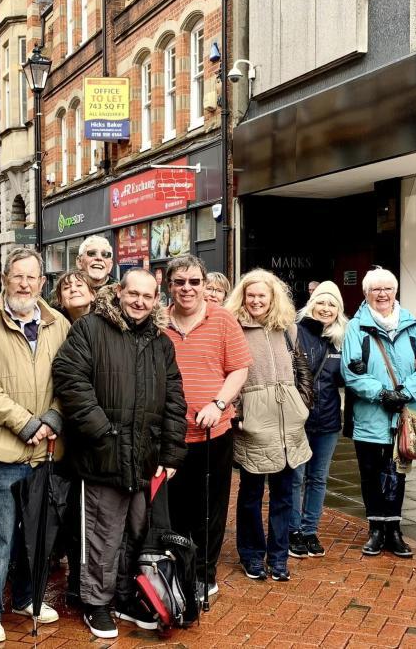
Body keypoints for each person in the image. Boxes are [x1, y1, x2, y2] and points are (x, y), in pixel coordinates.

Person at [52, 268, 187, 639]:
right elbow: (70, 379)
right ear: (119, 293)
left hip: (144, 456)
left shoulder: (161, 342)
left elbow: (175, 399)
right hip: (102, 455)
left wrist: (172, 453)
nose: (140, 302)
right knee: (101, 533)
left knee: (136, 533)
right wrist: (100, 431)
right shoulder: (91, 329)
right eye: (133, 294)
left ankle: (126, 598)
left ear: (156, 299)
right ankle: (96, 603)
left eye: (148, 296)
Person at [0, 247, 70, 643]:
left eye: (32, 277)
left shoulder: (58, 323)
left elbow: (70, 379)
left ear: (42, 283)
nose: (24, 284)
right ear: (4, 279)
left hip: (46, 450)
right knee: (0, 533)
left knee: (35, 532)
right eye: (17, 276)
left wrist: (53, 418)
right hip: (4, 449)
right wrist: (25, 423)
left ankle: (27, 596)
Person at [164, 255, 251, 600]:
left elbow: (239, 369)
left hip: (212, 433)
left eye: (194, 282)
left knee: (209, 508)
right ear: (169, 285)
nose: (188, 288)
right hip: (168, 435)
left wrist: (219, 404)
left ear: (204, 285)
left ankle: (204, 573)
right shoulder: (157, 321)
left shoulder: (223, 320)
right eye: (180, 282)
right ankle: (176, 569)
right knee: (172, 509)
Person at [341, 268, 416, 559]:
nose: (382, 294)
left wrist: (405, 393)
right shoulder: (356, 328)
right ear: (366, 293)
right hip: (371, 416)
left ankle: (394, 529)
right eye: (375, 289)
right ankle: (376, 528)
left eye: (388, 289)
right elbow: (350, 372)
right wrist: (383, 393)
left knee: (398, 474)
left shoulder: (414, 326)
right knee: (370, 473)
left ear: (395, 291)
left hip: (405, 416)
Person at [225, 269, 311, 582]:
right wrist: (238, 412)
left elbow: (301, 368)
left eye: (263, 295)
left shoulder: (288, 328)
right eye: (251, 295)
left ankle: (278, 557)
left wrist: (302, 405)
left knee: (284, 494)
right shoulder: (232, 327)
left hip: (288, 420)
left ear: (273, 297)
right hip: (254, 421)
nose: (257, 301)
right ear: (243, 298)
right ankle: (251, 556)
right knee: (250, 494)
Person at [289, 281, 348, 559]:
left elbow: (343, 379)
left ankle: (310, 530)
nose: (326, 308)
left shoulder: (342, 338)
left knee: (319, 478)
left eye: (332, 304)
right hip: (299, 419)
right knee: (295, 478)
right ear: (312, 304)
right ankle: (293, 531)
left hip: (328, 420)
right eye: (321, 302)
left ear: (339, 310)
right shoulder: (296, 332)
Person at [50, 267, 96, 605]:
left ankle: (87, 579)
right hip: (65, 427)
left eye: (80, 284)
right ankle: (74, 577)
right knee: (69, 506)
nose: (74, 289)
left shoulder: (105, 324)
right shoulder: (56, 327)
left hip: (95, 426)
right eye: (67, 287)